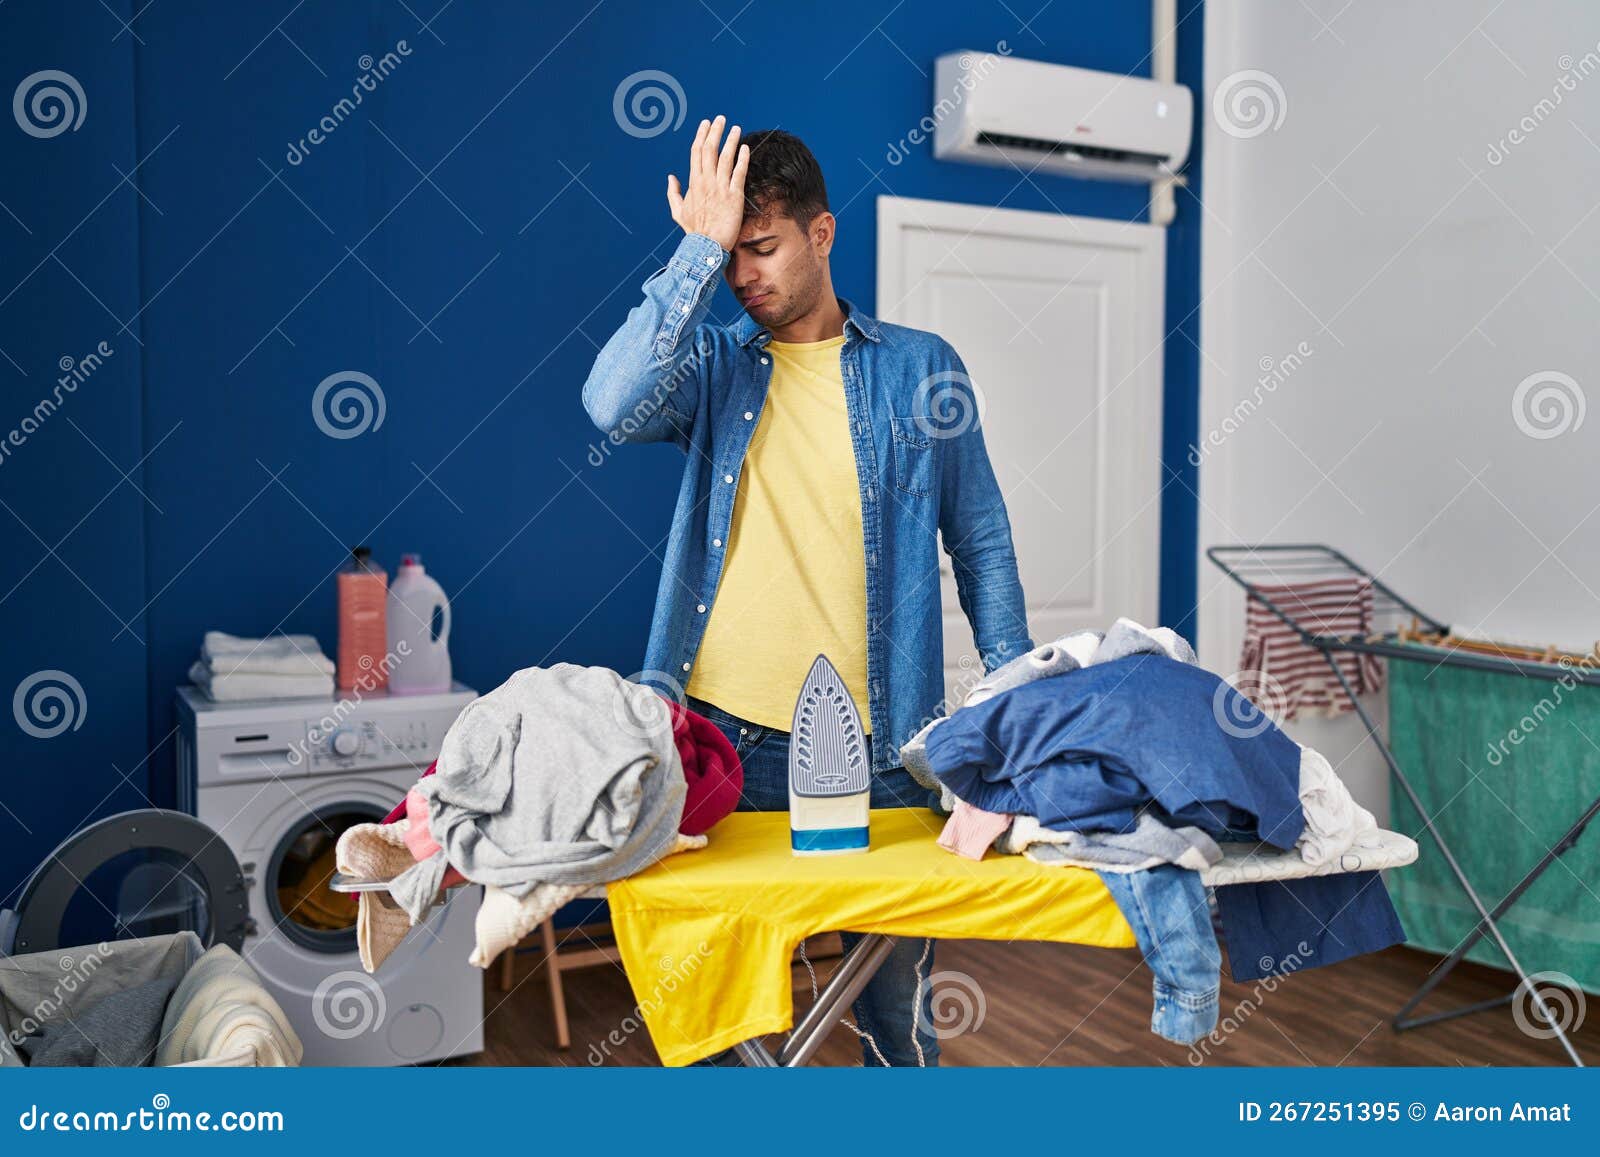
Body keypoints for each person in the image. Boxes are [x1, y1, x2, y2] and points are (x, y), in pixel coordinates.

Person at [582, 116, 1032, 1066]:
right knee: (715, 1012)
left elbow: (980, 539)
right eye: (730, 255)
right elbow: (611, 403)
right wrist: (691, 254)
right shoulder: (710, 368)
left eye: (761, 247)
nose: (744, 277)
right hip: (722, 742)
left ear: (821, 236)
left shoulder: (920, 369)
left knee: (900, 1016)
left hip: (883, 746)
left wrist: (1015, 699)